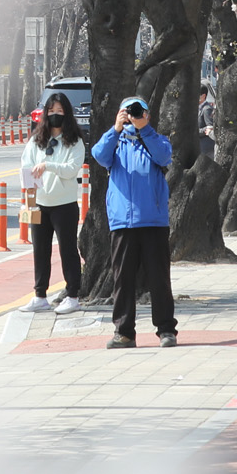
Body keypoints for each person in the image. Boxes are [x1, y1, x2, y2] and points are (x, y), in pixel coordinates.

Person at [92, 95, 176, 348]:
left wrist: (144, 130)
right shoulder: (115, 144)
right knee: (123, 279)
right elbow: (98, 155)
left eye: (139, 112)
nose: (134, 115)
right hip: (122, 223)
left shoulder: (157, 140)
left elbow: (164, 158)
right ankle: (124, 332)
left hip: (153, 220)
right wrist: (115, 129)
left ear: (148, 116)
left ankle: (166, 330)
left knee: (159, 278)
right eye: (127, 111)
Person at [19, 92, 86, 315]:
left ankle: (73, 295)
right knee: (40, 250)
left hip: (64, 204)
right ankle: (40, 296)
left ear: (67, 114)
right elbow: (27, 168)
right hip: (39, 203)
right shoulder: (36, 141)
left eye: (59, 111)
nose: (55, 115)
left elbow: (71, 170)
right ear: (45, 114)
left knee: (67, 250)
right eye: (51, 111)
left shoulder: (74, 142)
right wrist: (29, 199)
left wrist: (48, 165)